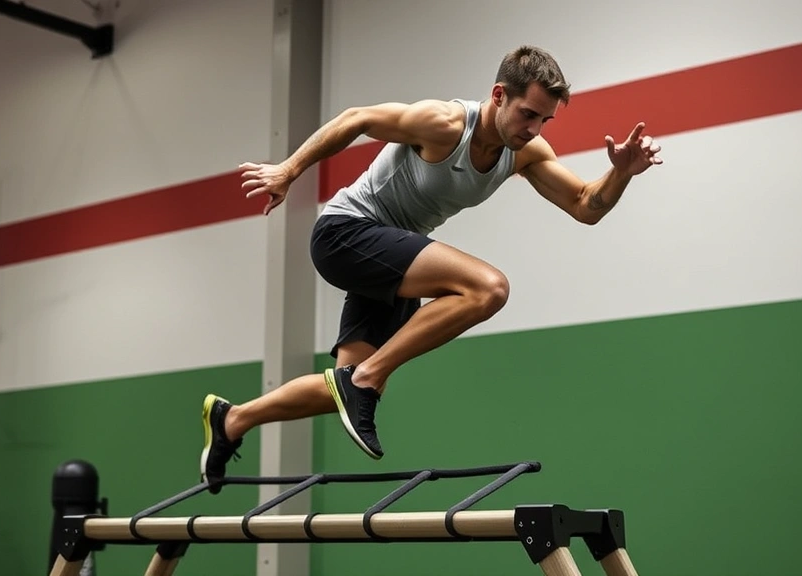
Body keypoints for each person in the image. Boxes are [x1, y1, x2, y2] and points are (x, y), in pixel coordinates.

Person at [198, 45, 662, 493]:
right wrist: (288, 170)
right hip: (345, 233)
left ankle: (233, 419)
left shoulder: (526, 151)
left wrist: (620, 173)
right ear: (499, 95)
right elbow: (356, 118)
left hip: (390, 256)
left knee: (338, 388)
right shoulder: (444, 123)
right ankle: (366, 379)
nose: (534, 128)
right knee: (488, 289)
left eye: (545, 119)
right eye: (527, 114)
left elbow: (585, 205)